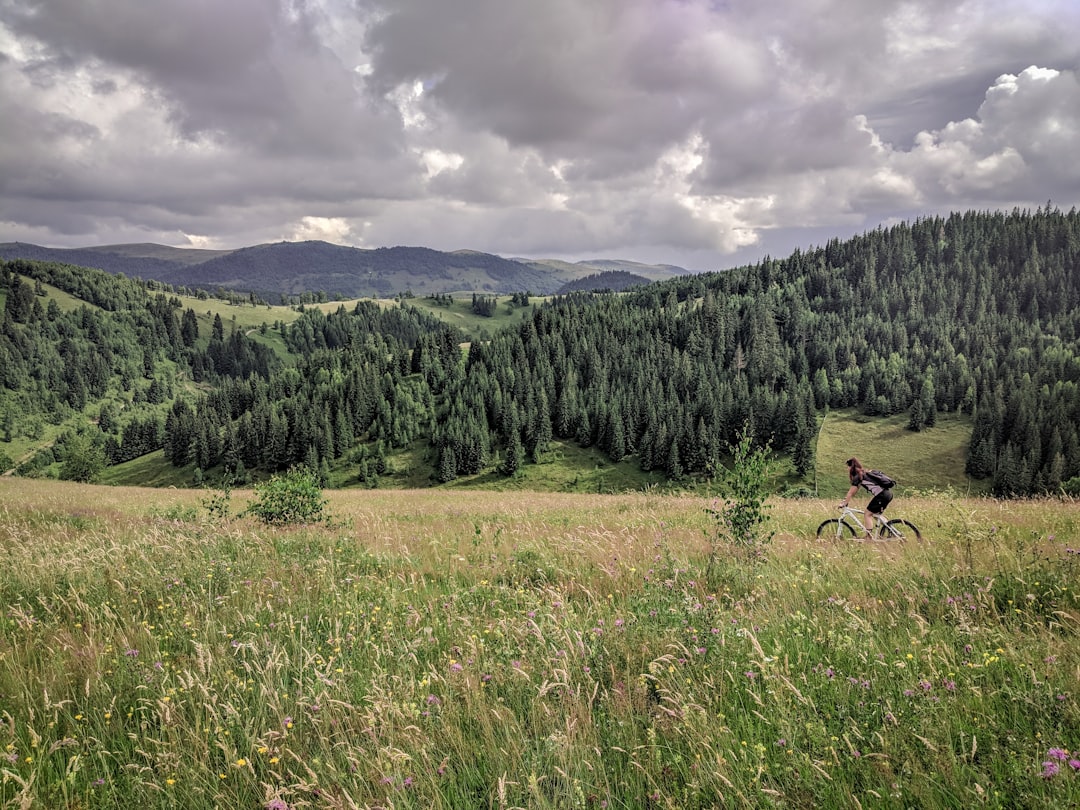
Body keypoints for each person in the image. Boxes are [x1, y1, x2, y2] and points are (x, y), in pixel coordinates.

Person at [840, 456, 893, 536]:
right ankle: (891, 530)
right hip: (887, 494)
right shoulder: (863, 473)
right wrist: (845, 500)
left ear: (851, 467)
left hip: (881, 496)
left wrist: (844, 503)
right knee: (876, 515)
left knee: (867, 514)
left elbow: (851, 492)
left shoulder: (858, 477)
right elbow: (853, 492)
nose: (847, 469)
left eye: (848, 467)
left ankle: (868, 537)